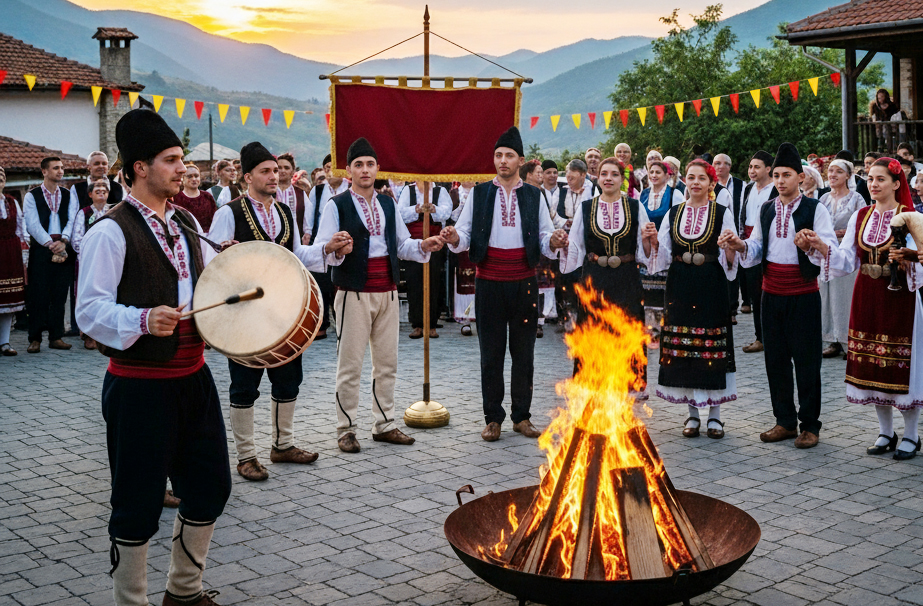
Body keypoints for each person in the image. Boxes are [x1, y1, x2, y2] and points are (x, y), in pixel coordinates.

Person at [76, 108, 231, 606]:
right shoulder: (110, 230)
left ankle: (183, 593)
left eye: (182, 159)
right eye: (171, 160)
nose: (181, 170)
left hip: (194, 376)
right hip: (140, 386)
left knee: (209, 488)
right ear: (139, 167)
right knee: (137, 505)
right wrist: (142, 320)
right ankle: (132, 602)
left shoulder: (185, 219)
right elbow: (89, 311)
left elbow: (203, 287)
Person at [208, 142, 353, 481]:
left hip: (283, 309)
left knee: (288, 379)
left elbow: (297, 256)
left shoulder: (286, 212)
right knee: (244, 384)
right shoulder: (228, 212)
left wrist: (327, 248)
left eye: (276, 171)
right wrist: (224, 254)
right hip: (244, 315)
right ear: (247, 177)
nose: (274, 176)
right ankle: (245, 456)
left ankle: (282, 446)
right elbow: (211, 264)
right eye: (266, 171)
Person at [313, 138, 444, 453]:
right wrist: (334, 247)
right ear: (349, 171)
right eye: (358, 164)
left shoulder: (388, 203)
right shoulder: (337, 205)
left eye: (370, 164)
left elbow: (401, 245)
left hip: (387, 291)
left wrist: (423, 245)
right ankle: (346, 430)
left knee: (387, 363)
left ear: (377, 168)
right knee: (350, 365)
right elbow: (322, 247)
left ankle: (384, 424)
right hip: (352, 292)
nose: (365, 169)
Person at [441, 127, 568, 442]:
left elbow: (543, 235)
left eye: (509, 155)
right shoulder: (481, 193)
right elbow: (465, 233)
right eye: (498, 155)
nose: (502, 160)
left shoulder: (533, 194)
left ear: (520, 160)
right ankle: (493, 418)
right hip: (489, 283)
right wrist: (455, 237)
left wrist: (553, 239)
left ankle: (522, 417)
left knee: (524, 352)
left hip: (524, 282)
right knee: (491, 353)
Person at [720, 142, 838, 449]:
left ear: (801, 177)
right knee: (775, 361)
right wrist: (740, 245)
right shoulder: (766, 209)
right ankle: (784, 421)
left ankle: (810, 425)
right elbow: (757, 247)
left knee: (807, 362)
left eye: (787, 174)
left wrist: (811, 244)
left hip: (803, 294)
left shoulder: (816, 209)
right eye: (777, 175)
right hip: (770, 294)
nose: (781, 180)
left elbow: (829, 251)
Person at [804, 157, 922, 459]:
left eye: (880, 179)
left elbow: (922, 261)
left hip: (900, 299)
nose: (873, 184)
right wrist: (821, 246)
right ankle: (885, 432)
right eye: (870, 179)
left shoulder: (910, 217)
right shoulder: (861, 215)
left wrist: (909, 258)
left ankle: (911, 435)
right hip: (866, 295)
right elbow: (846, 259)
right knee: (872, 365)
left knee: (900, 365)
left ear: (896, 184)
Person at [651, 160, 739, 438]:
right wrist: (651, 241)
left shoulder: (721, 212)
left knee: (711, 348)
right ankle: (691, 415)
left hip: (710, 283)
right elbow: (663, 253)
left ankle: (715, 416)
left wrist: (730, 248)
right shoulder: (674, 212)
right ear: (684, 180)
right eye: (691, 177)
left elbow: (731, 255)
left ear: (712, 183)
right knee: (686, 348)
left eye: (702, 178)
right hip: (680, 284)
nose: (696, 182)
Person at [559, 156, 657, 353]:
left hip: (627, 279)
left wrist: (650, 240)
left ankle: (627, 381)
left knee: (626, 330)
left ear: (622, 179)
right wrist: (561, 244)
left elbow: (644, 251)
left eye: (614, 174)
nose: (608, 178)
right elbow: (575, 246)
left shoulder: (635, 207)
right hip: (595, 279)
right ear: (598, 178)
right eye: (604, 174)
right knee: (594, 330)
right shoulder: (586, 208)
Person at [23, 157, 77, 354]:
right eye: (56, 168)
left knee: (60, 294)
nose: (60, 171)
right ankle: (35, 338)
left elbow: (72, 219)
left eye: (62, 168)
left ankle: (56, 336)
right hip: (41, 248)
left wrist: (63, 241)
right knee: (39, 294)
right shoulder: (32, 196)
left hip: (63, 246)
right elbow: (32, 224)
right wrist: (50, 244)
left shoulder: (68, 194)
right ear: (44, 171)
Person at [818, 159, 866, 359]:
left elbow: (862, 225)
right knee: (826, 296)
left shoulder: (857, 199)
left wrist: (841, 232)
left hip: (847, 252)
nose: (833, 175)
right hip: (824, 251)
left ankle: (849, 341)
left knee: (845, 296)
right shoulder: (823, 199)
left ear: (848, 175)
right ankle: (831, 340)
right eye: (830, 171)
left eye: (838, 171)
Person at [303, 154, 350, 340]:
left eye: (333, 167)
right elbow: (310, 215)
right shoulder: (318, 190)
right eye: (326, 167)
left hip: (346, 242)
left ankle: (343, 324)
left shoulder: (351, 189)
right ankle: (321, 325)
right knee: (321, 284)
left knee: (341, 284)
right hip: (323, 241)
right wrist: (308, 234)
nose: (330, 171)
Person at [398, 180, 452, 339]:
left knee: (434, 282)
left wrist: (433, 209)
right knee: (414, 282)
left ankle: (432, 324)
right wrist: (416, 209)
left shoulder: (440, 191)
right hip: (413, 244)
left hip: (435, 242)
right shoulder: (409, 190)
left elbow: (446, 212)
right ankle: (417, 324)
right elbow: (400, 212)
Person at [639, 160, 683, 341]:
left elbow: (678, 220)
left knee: (665, 289)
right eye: (652, 172)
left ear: (667, 175)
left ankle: (667, 327)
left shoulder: (675, 194)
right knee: (647, 290)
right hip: (647, 247)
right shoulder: (643, 194)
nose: (654, 175)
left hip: (666, 247)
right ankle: (651, 329)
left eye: (658, 172)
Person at [737, 150, 777, 352]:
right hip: (749, 243)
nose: (752, 171)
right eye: (750, 167)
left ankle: (773, 336)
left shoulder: (776, 189)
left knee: (769, 292)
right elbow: (743, 216)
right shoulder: (748, 188)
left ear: (768, 169)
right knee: (755, 292)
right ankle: (759, 337)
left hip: (769, 244)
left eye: (757, 167)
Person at [71, 177, 113, 351]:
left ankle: (106, 334)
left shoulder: (114, 211)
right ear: (90, 194)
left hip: (110, 261)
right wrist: (92, 254)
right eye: (97, 191)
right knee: (89, 295)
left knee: (109, 296)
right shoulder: (84, 213)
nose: (101, 193)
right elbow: (77, 239)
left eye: (104, 191)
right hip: (88, 261)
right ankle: (88, 335)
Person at [555, 159, 595, 328]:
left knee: (584, 278)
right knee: (566, 278)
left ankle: (586, 315)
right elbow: (554, 213)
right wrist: (565, 222)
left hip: (587, 242)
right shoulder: (562, 191)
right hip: (567, 240)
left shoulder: (594, 190)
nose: (569, 181)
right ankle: (566, 315)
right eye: (568, 177)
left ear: (583, 175)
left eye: (572, 177)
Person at [522, 159, 556, 337]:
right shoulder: (520, 191)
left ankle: (539, 321)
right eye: (539, 172)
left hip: (539, 242)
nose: (542, 176)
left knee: (541, 284)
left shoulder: (542, 192)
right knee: (527, 282)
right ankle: (526, 318)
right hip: (524, 242)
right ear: (528, 175)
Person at [713, 154, 746, 323]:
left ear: (729, 166)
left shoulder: (741, 185)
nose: (719, 167)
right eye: (716, 163)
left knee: (732, 270)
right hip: (712, 235)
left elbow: (742, 209)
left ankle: (732, 309)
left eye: (723, 164)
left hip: (733, 232)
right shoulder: (706, 186)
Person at [0, 166, 26, 356]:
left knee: (8, 298)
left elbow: (21, 228)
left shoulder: (11, 201)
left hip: (10, 251)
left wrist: (23, 254)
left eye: (1, 176)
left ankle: (4, 342)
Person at [450, 181, 477, 335]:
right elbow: (451, 215)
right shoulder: (455, 193)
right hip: (462, 239)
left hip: (480, 239)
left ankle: (482, 316)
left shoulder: (483, 191)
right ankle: (465, 319)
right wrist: (462, 206)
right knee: (465, 281)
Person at [172, 164, 218, 232]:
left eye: (196, 176)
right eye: (189, 176)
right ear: (182, 178)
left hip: (208, 236)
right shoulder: (176, 197)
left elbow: (215, 219)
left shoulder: (207, 196)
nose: (194, 179)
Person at [540, 160, 565, 228]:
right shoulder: (538, 192)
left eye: (555, 172)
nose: (552, 175)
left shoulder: (564, 190)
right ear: (542, 175)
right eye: (548, 173)